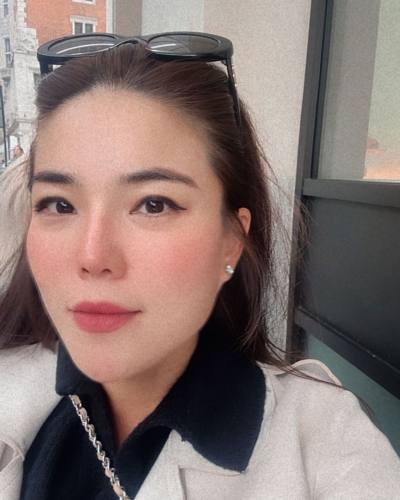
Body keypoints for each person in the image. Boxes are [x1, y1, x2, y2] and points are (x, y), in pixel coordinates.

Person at [0, 32, 399, 500]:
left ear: (231, 240)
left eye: (153, 204)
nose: (92, 257)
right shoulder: (15, 390)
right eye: (60, 204)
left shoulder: (326, 446)